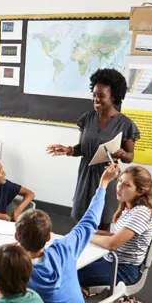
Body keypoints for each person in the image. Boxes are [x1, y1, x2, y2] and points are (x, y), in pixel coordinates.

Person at [0, 164, 120, 303]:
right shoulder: (65, 248)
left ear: (16, 237)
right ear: (49, 237)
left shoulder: (16, 271)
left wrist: (4, 251)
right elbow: (90, 221)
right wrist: (103, 183)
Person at [47, 68, 140, 230]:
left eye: (101, 96)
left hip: (108, 176)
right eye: (94, 95)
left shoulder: (125, 124)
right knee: (81, 223)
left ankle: (99, 256)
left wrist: (123, 154)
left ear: (114, 96)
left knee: (103, 224)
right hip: (85, 175)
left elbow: (130, 156)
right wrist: (68, 150)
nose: (96, 99)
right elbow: (82, 148)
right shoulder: (87, 118)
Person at [79, 166, 152, 288]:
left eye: (126, 184)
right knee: (72, 262)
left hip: (124, 270)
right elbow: (118, 237)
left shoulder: (142, 212)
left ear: (140, 191)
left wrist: (86, 235)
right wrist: (95, 233)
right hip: (111, 259)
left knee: (70, 272)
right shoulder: (128, 207)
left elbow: (112, 243)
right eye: (120, 181)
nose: (119, 187)